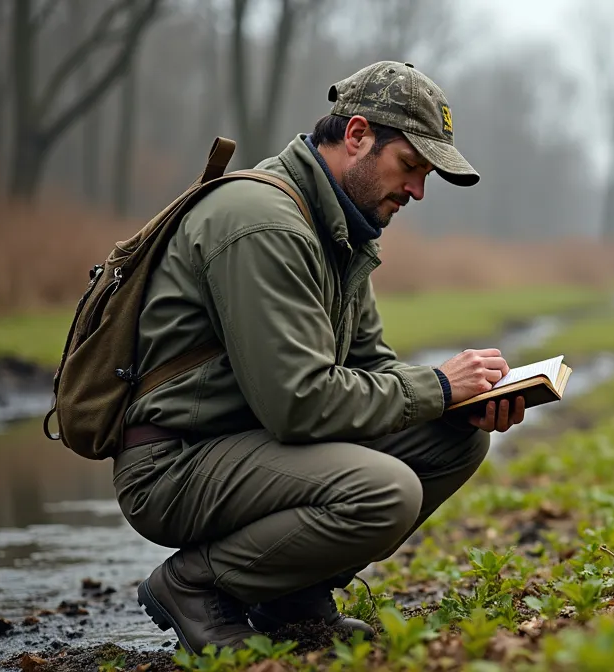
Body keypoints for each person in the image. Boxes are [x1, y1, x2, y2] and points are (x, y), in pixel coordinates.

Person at [112, 61, 525, 653]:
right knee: (384, 493)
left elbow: (371, 366)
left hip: (250, 445)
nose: (417, 190)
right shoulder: (263, 224)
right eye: (410, 166)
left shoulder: (340, 228)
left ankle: (290, 596)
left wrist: (463, 403)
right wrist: (436, 385)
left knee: (454, 441)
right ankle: (195, 586)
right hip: (175, 462)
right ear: (357, 135)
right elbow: (299, 404)